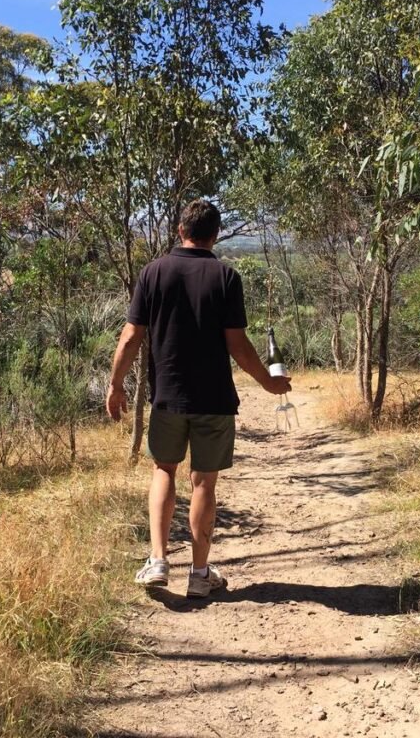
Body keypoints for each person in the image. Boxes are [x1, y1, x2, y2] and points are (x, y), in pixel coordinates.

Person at [106, 199, 292, 598]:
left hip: (167, 398)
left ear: (180, 230)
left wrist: (115, 384)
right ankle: (199, 572)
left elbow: (130, 336)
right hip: (214, 400)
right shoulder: (226, 277)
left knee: (163, 471)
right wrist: (267, 383)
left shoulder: (152, 273)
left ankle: (157, 561)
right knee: (204, 481)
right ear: (216, 234)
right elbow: (238, 345)